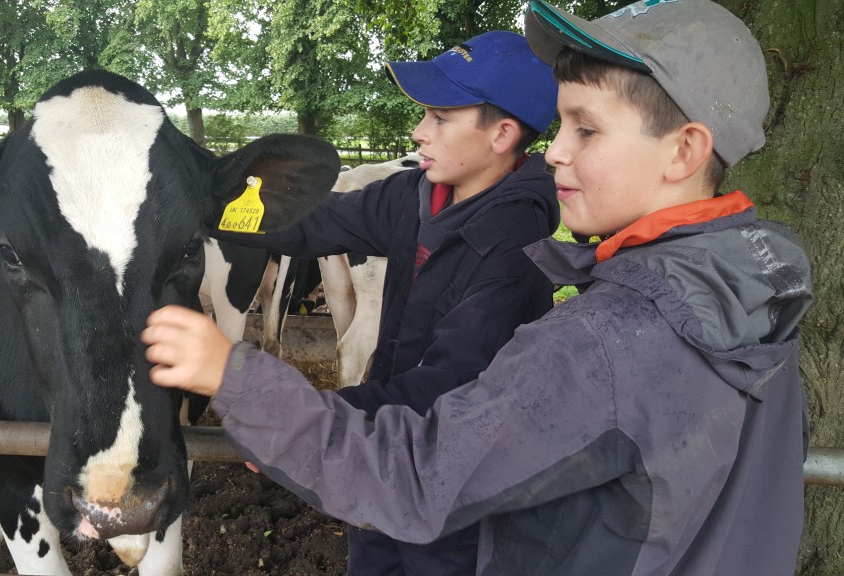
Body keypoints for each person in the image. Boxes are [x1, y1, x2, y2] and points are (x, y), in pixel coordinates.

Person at [142, 1, 813, 574]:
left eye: (586, 128)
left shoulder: (586, 318)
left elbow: (431, 452)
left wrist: (277, 409)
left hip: (452, 497)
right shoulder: (753, 293)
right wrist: (205, 201)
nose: (558, 151)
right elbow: (311, 223)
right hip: (416, 463)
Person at [211, 30, 560, 575]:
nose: (419, 132)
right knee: (371, 554)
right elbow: (309, 224)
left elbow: (453, 382)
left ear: (502, 134)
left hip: (454, 478)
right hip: (384, 448)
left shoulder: (516, 242)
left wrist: (306, 422)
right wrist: (207, 205)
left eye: (440, 118)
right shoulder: (414, 196)